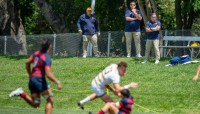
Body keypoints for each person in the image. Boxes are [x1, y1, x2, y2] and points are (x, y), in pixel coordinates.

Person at [9, 38, 62, 114]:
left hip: (32, 81)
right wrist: (58, 82)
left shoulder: (36, 53)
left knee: (36, 104)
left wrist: (30, 74)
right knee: (49, 100)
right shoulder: (46, 57)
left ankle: (21, 93)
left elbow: (27, 62)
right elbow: (48, 74)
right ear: (49, 46)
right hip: (39, 80)